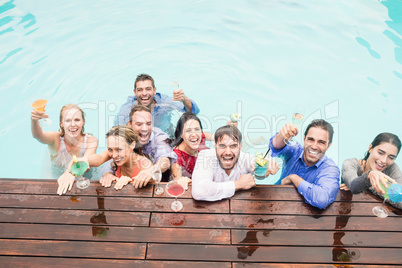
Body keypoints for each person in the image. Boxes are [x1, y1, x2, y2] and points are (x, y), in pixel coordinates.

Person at [191, 125, 279, 201]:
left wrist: (266, 167)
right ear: (215, 146)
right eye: (222, 146)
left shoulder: (245, 158)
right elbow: (199, 191)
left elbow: (257, 168)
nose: (228, 152)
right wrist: (239, 184)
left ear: (240, 146)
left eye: (233, 146)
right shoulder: (205, 156)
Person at [269, 119, 340, 209]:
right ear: (304, 139)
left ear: (328, 146)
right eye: (310, 139)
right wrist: (281, 136)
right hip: (273, 200)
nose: (314, 146)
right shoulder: (295, 150)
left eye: (321, 142)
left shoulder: (330, 169)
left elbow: (322, 199)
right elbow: (275, 146)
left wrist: (294, 178)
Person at [101, 105, 177, 188]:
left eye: (148, 124)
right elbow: (112, 158)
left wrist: (151, 171)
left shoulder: (159, 137)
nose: (144, 128)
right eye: (139, 124)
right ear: (129, 124)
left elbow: (165, 159)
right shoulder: (123, 137)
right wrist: (108, 173)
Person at [31, 103, 98, 194]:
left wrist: (69, 172)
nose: (73, 124)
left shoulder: (91, 141)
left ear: (83, 122)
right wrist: (34, 120)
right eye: (68, 121)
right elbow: (38, 136)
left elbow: (86, 164)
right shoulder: (55, 139)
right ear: (61, 124)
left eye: (77, 120)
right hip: (57, 180)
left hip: (85, 180)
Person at [114, 73, 200, 137]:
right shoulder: (126, 110)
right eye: (140, 90)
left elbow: (193, 112)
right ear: (135, 92)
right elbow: (117, 134)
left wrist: (184, 98)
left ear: (154, 91)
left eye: (148, 89)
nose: (144, 93)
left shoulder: (164, 102)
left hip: (167, 134)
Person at [340, 133, 402, 209]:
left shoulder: (392, 168)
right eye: (380, 153)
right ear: (370, 148)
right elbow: (354, 186)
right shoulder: (350, 164)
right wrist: (369, 176)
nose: (384, 161)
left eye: (391, 157)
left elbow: (400, 200)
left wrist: (369, 187)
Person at [82, 125, 153, 190]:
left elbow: (152, 177)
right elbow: (99, 158)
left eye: (119, 149)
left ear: (132, 145)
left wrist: (130, 182)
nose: (114, 155)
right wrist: (83, 160)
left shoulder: (145, 164)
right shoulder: (117, 155)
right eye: (110, 149)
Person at [170, 112, 213, 179]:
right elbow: (177, 183)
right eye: (188, 131)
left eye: (197, 129)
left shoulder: (200, 137)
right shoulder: (177, 158)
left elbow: (219, 138)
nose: (193, 134)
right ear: (181, 134)